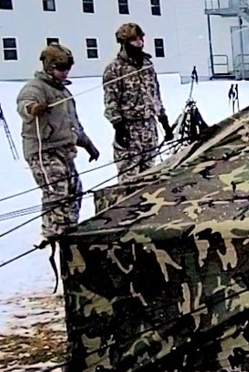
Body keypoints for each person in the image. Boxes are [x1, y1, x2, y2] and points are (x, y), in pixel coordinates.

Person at [16, 44, 100, 244]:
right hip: (43, 151)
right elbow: (24, 103)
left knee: (75, 190)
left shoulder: (64, 93)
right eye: (61, 68)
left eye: (67, 68)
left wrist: (87, 144)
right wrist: (33, 108)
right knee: (56, 192)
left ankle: (68, 231)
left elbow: (72, 125)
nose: (65, 72)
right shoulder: (36, 87)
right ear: (48, 66)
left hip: (64, 150)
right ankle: (53, 235)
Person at [103, 22, 174, 184]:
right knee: (130, 180)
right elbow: (110, 101)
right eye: (135, 40)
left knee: (150, 177)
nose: (140, 43)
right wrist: (118, 127)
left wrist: (164, 120)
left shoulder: (147, 65)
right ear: (124, 42)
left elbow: (154, 94)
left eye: (141, 39)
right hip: (129, 130)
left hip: (149, 128)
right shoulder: (115, 69)